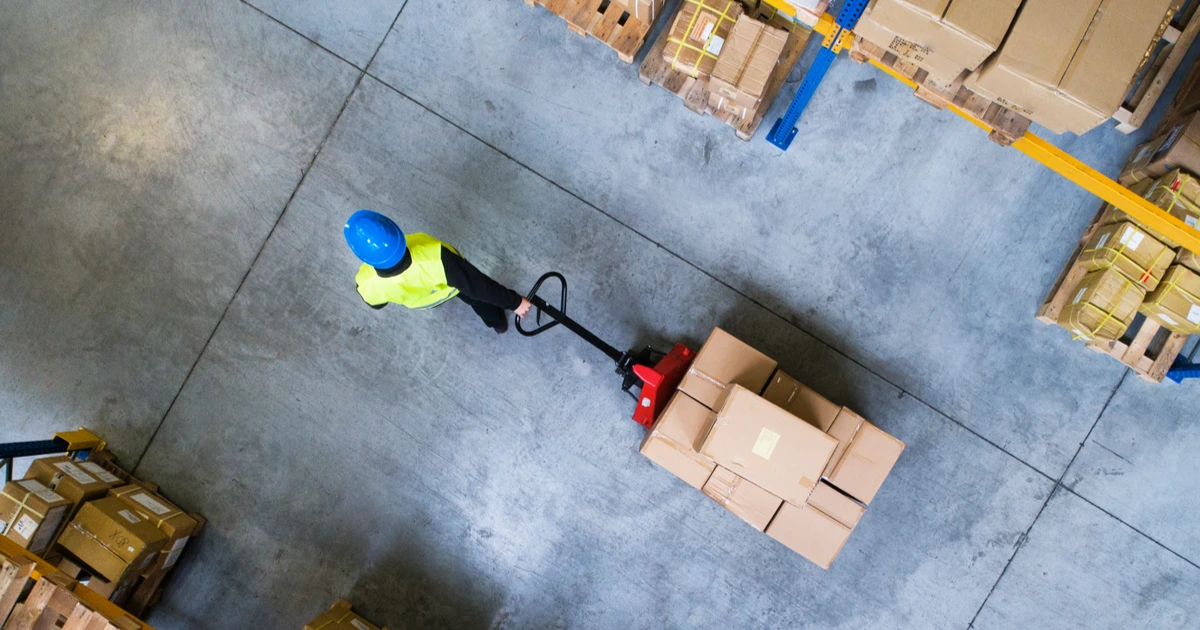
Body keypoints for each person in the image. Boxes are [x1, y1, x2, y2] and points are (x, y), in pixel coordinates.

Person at [344, 210, 532, 333]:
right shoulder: (437, 259)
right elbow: (479, 286)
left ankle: (497, 325)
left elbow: (377, 304)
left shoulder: (366, 282)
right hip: (452, 287)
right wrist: (514, 302)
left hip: (426, 300)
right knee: (478, 299)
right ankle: (497, 322)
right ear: (395, 232)